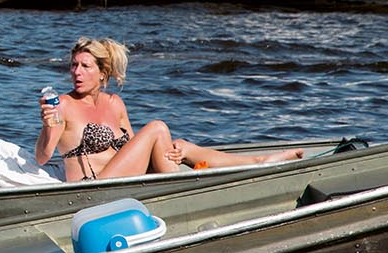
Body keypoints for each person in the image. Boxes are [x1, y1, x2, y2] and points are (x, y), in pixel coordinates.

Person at [35, 36, 303, 182]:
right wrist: (48, 126)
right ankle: (179, 188)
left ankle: (259, 162)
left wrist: (168, 151)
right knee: (157, 127)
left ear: (103, 73)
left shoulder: (114, 103)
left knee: (179, 144)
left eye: (85, 66)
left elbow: (129, 146)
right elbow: (43, 157)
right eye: (73, 65)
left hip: (127, 178)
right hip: (96, 184)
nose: (76, 72)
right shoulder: (63, 105)